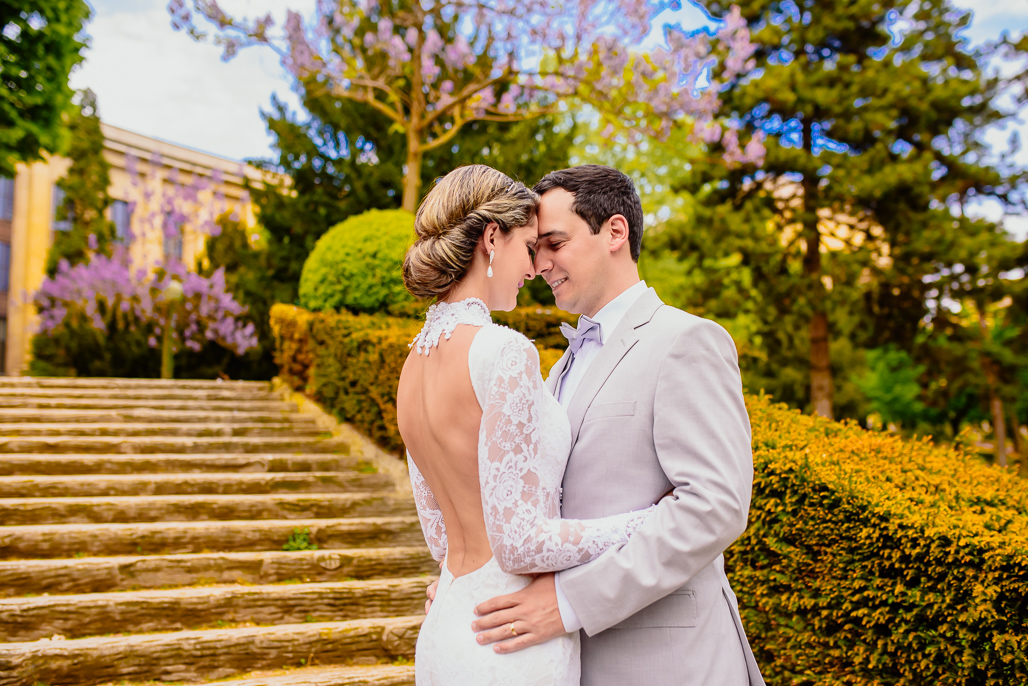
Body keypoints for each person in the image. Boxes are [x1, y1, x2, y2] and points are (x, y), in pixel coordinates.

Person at [468, 165, 765, 686]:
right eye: (535, 248)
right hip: (574, 663)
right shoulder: (557, 367)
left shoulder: (688, 340)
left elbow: (714, 506)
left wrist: (570, 601)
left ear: (614, 232)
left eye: (554, 243)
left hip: (673, 662)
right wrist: (471, 583)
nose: (539, 265)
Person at [397, 164, 658, 685]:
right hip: (512, 639)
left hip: (450, 622)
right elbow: (519, 542)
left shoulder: (411, 366)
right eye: (528, 245)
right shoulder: (504, 350)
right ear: (492, 238)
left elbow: (440, 537)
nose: (535, 267)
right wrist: (644, 522)